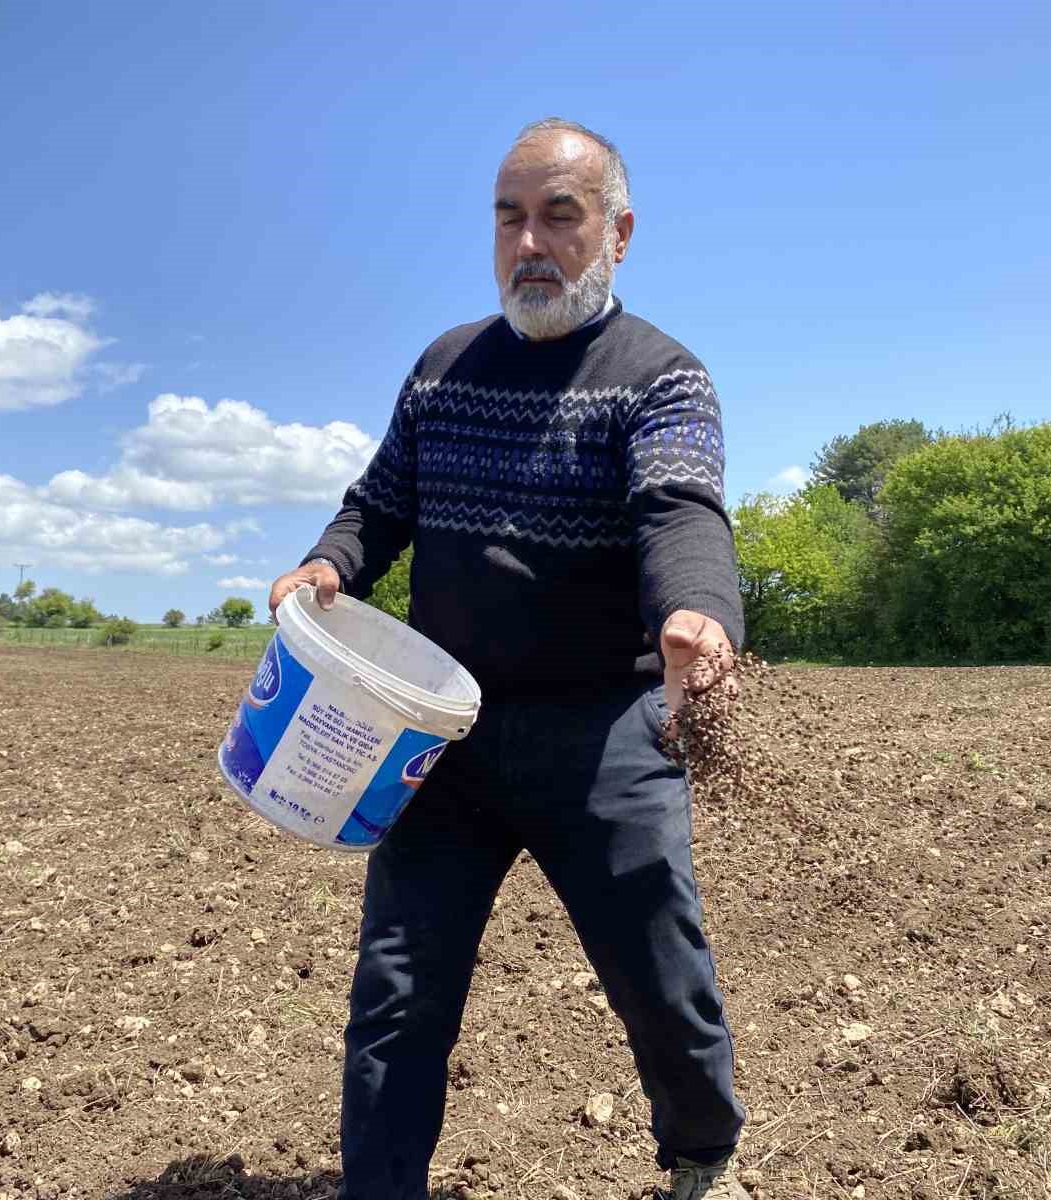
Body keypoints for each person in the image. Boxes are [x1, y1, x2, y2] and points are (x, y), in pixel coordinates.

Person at [267, 118, 748, 1200]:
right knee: (398, 991)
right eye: (508, 217)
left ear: (617, 232)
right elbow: (376, 505)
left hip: (604, 734)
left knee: (660, 977)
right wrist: (326, 565)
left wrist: (699, 616)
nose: (528, 241)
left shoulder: (662, 378)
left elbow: (680, 512)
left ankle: (700, 1146)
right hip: (443, 733)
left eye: (558, 216)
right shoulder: (443, 368)